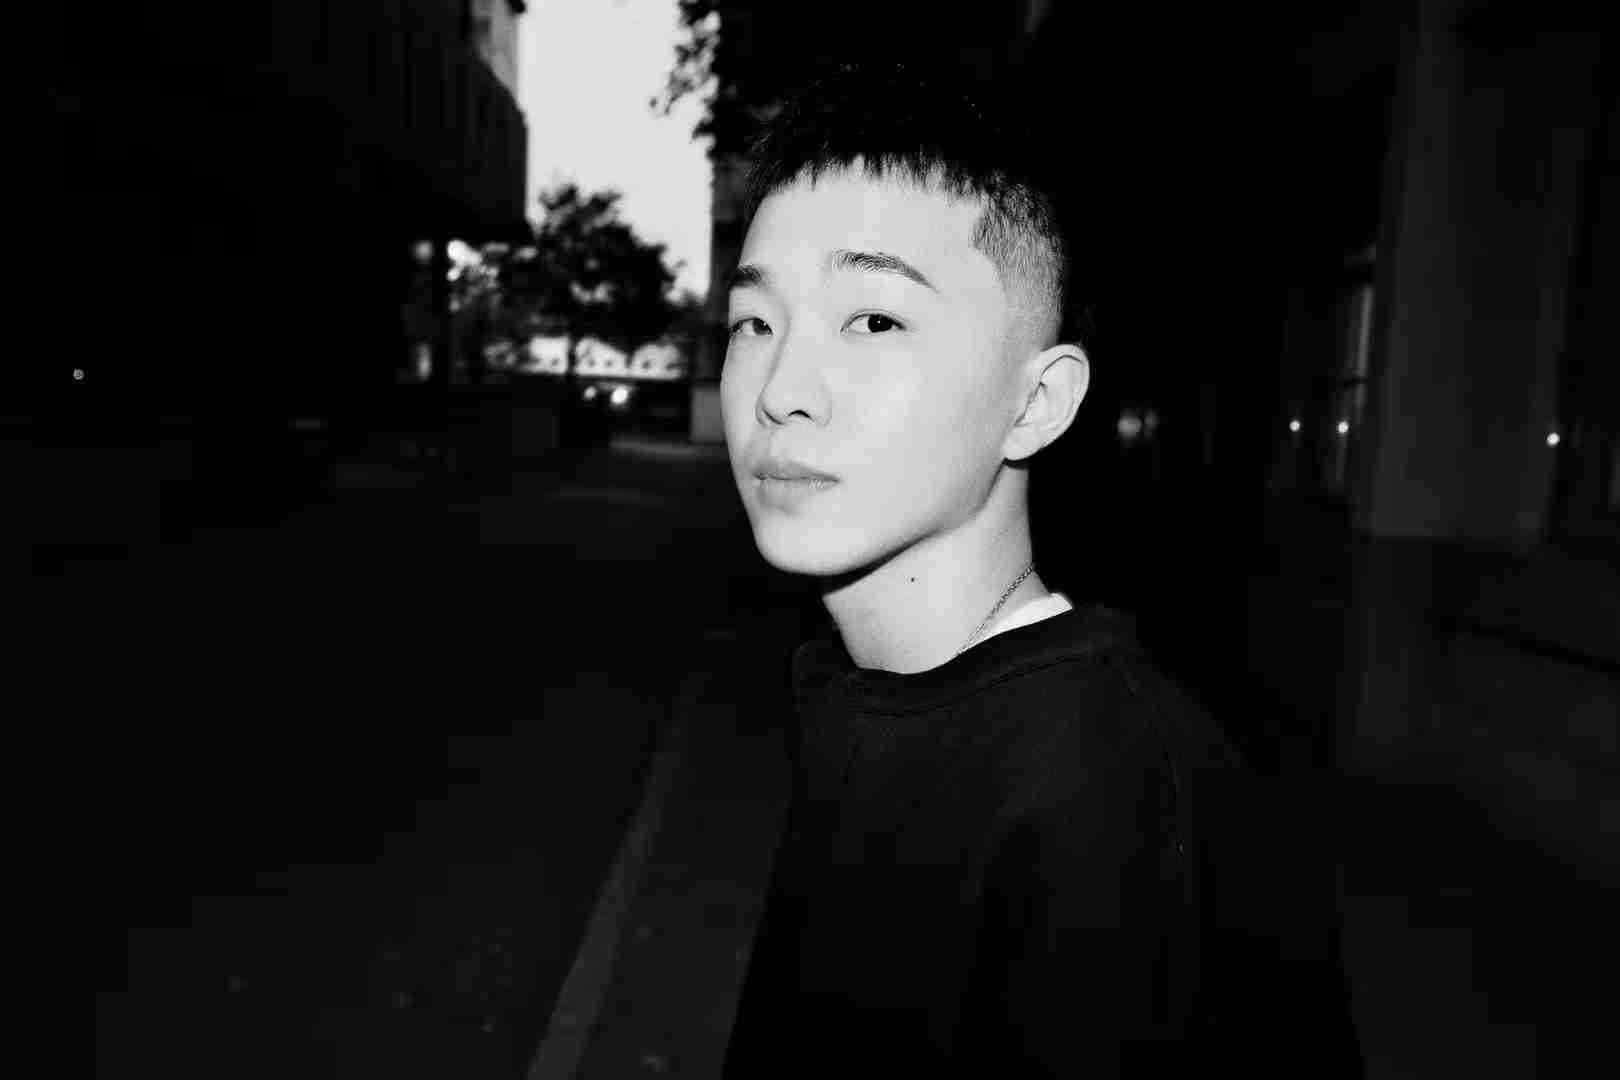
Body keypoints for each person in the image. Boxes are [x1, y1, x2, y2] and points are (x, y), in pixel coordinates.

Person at [716, 61, 1361, 1077]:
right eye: (755, 323)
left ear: (1038, 404)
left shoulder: (1107, 802)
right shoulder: (869, 695)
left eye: (874, 319)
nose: (781, 388)